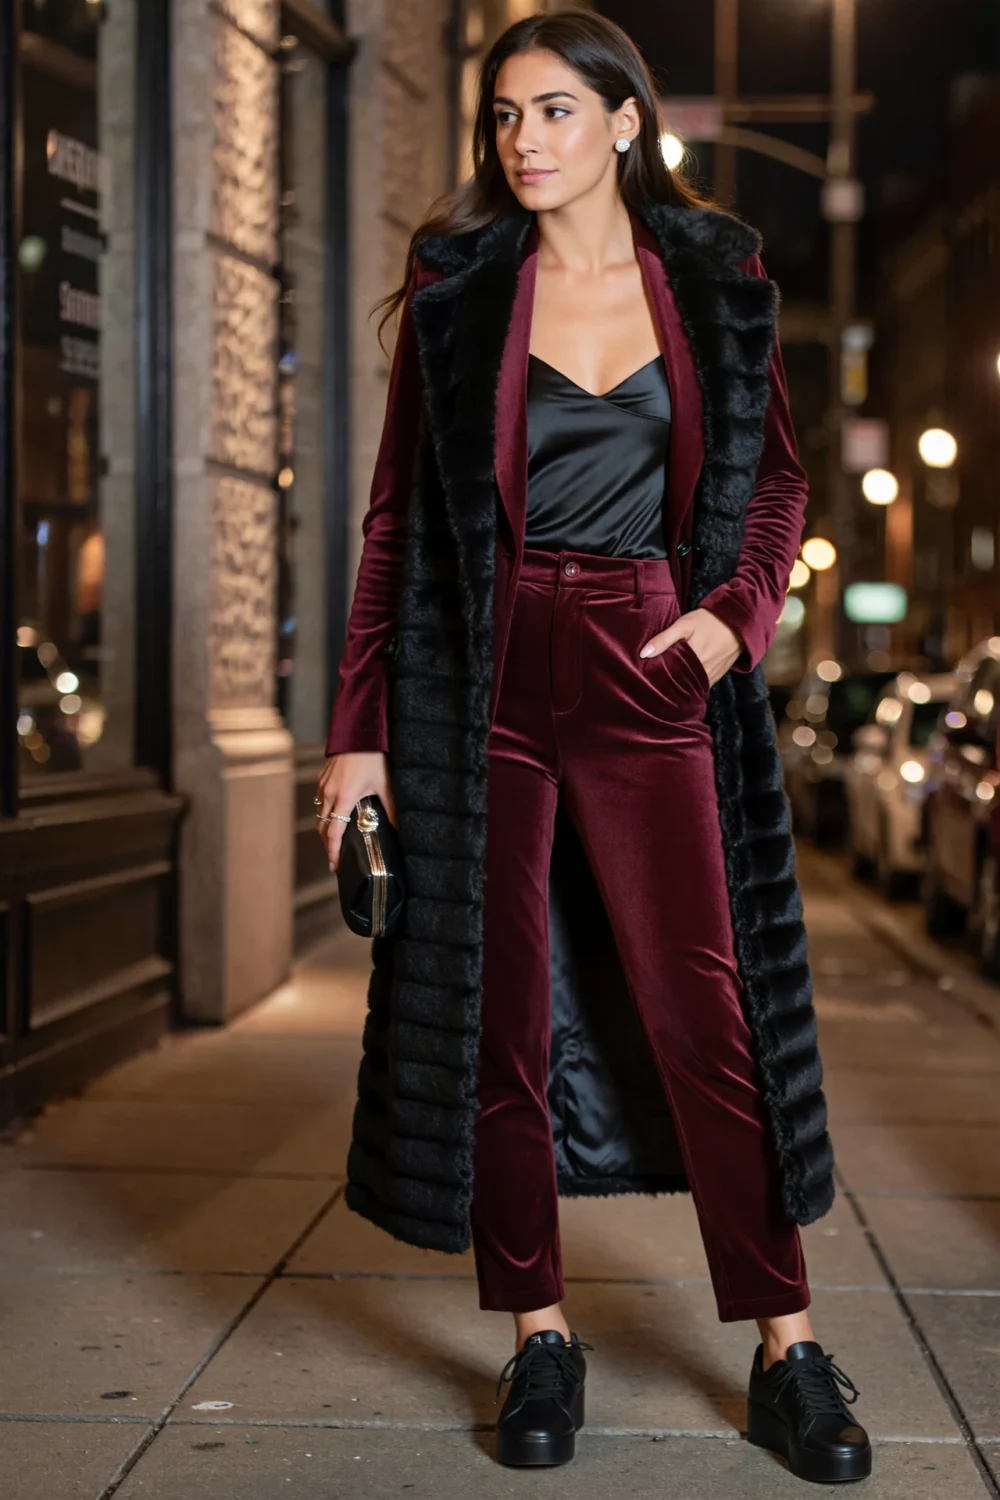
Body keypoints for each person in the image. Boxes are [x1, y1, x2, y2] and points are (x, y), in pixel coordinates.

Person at [316, 10, 871, 1487]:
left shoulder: (717, 287)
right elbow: (393, 534)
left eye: (555, 111)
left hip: (644, 660)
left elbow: (774, 498)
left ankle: (788, 1346)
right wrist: (357, 740)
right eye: (504, 118)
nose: (524, 142)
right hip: (487, 679)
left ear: (626, 122)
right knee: (507, 1016)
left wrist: (723, 625)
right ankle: (537, 1335)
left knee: (707, 1017)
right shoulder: (456, 297)